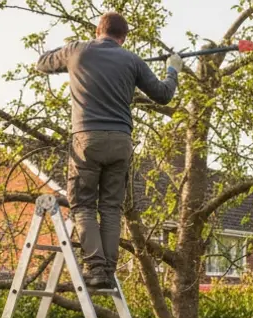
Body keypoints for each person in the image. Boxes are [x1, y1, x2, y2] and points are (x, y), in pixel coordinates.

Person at [36, 12, 182, 289]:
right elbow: (163, 94)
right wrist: (172, 69)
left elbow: (42, 63)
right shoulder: (132, 61)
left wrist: (64, 56)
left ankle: (97, 268)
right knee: (111, 207)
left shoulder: (77, 50)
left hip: (86, 140)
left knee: (83, 205)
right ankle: (109, 270)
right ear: (123, 37)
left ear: (96, 30)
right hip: (120, 141)